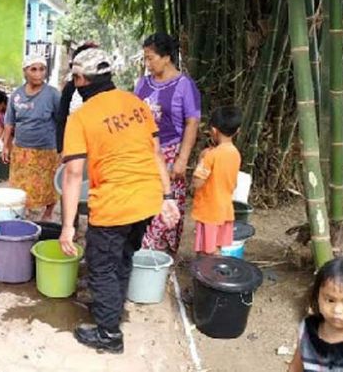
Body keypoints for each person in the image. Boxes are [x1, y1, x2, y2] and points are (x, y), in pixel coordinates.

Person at [59, 48, 180, 353]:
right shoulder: (137, 104)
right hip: (147, 201)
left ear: (80, 79)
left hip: (115, 204)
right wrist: (167, 196)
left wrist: (67, 228)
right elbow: (155, 154)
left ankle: (109, 334)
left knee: (101, 266)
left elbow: (73, 174)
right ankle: (111, 308)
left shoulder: (81, 117)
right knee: (123, 257)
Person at [135, 32, 201, 255]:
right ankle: (144, 252)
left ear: (166, 57)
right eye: (145, 58)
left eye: (151, 58)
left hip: (170, 154)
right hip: (143, 155)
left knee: (165, 207)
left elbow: (192, 123)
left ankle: (157, 255)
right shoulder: (143, 83)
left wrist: (182, 159)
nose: (147, 63)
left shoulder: (185, 85)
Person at [2, 55, 61, 221]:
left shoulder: (53, 95)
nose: (38, 74)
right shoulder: (16, 96)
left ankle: (48, 212)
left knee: (48, 182)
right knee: (21, 183)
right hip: (21, 149)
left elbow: (61, 121)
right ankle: (24, 209)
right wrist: (6, 145)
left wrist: (62, 147)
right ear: (25, 72)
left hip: (46, 149)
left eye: (42, 69)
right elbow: (9, 122)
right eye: (33, 69)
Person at [191, 106, 242, 255]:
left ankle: (207, 276)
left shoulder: (210, 155)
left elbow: (197, 182)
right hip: (225, 209)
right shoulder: (235, 154)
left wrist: (201, 160)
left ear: (214, 131)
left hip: (209, 211)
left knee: (207, 250)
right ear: (237, 131)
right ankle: (214, 274)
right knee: (217, 247)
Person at [289, 257, 343, 371]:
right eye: (330, 300)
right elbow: (296, 367)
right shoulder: (307, 330)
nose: (337, 310)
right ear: (317, 297)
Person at [56, 41, 98, 153]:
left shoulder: (105, 90)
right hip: (74, 148)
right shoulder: (70, 88)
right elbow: (61, 118)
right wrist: (61, 149)